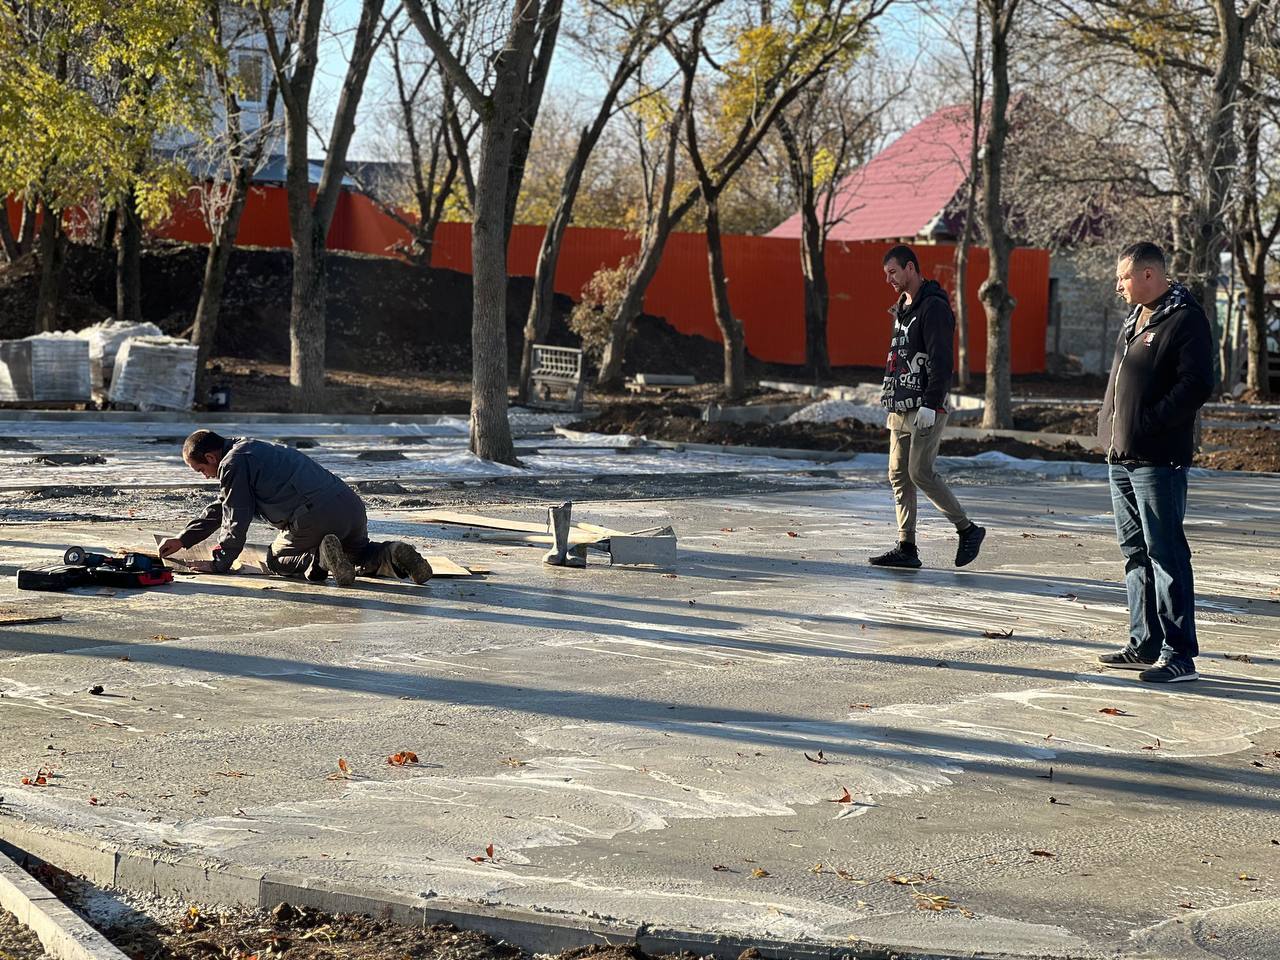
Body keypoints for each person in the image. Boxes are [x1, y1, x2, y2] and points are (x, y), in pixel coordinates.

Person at [1097, 242, 1213, 683]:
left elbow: (1197, 383)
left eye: (1124, 276)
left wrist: (1149, 423)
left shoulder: (1186, 318)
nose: (1118, 285)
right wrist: (1108, 429)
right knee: (1134, 553)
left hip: (1157, 458)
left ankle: (1179, 653)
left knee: (1165, 553)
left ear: (1149, 274)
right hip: (1121, 456)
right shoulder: (1136, 317)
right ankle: (1143, 643)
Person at [158, 430, 433, 587]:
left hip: (313, 516)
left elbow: (236, 516)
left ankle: (320, 559)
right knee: (360, 554)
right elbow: (225, 505)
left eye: (201, 469)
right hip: (350, 507)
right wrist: (184, 539)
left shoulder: (231, 464)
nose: (205, 475)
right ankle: (394, 552)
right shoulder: (250, 449)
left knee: (276, 560)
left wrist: (220, 563)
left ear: (210, 456)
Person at [870, 244, 986, 570]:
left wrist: (932, 404)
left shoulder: (933, 307)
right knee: (898, 475)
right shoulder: (903, 307)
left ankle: (968, 529)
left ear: (910, 268)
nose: (889, 279)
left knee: (919, 472)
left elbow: (941, 359)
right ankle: (906, 547)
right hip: (900, 405)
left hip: (925, 406)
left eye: (893, 272)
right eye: (886, 274)